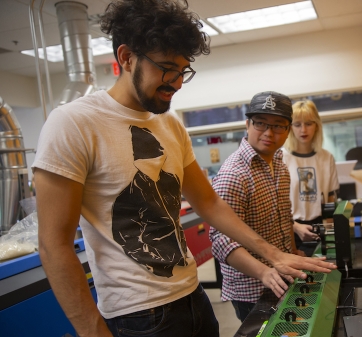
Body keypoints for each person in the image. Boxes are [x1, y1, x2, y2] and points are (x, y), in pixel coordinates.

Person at [32, 1, 335, 336]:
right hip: (137, 314)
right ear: (126, 57)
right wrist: (93, 332)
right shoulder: (73, 123)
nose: (176, 83)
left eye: (183, 71)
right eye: (166, 68)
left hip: (192, 297)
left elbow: (208, 203)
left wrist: (274, 255)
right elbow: (53, 244)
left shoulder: (170, 124)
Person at [209, 91, 301, 322]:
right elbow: (221, 241)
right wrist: (264, 272)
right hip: (252, 289)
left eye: (278, 126)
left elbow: (284, 217)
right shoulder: (234, 174)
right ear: (247, 124)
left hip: (283, 277)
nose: (269, 133)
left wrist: (293, 252)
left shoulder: (279, 164)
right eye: (261, 123)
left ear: (288, 130)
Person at [283, 100, 340, 254]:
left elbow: (330, 201)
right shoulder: (281, 159)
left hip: (319, 228)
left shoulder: (326, 157)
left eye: (309, 123)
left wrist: (329, 237)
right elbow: (274, 206)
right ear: (290, 127)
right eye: (297, 124)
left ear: (317, 126)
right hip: (289, 229)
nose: (303, 129)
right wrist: (294, 227)